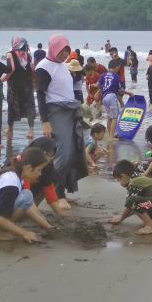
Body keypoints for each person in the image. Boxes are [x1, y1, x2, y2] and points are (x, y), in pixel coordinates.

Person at [36, 35, 89, 199]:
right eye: (61, 51)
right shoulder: (44, 67)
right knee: (64, 154)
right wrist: (45, 122)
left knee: (74, 152)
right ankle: (54, 194)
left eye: (67, 51)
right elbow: (40, 95)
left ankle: (60, 191)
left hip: (70, 111)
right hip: (56, 112)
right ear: (53, 48)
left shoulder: (62, 66)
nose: (64, 54)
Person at [109, 159, 152, 235]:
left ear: (124, 176)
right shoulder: (138, 178)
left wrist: (121, 218)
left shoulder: (134, 183)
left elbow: (131, 203)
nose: (120, 183)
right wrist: (123, 216)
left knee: (132, 201)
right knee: (138, 203)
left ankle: (150, 226)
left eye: (119, 180)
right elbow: (135, 207)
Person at [5, 37, 37, 142]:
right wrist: (33, 82)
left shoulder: (10, 54)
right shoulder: (27, 55)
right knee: (29, 105)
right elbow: (32, 69)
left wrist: (2, 78)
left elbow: (11, 69)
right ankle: (31, 131)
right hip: (27, 84)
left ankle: (10, 130)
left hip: (14, 84)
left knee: (12, 106)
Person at [96, 59, 126, 142]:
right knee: (115, 117)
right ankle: (111, 137)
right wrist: (128, 93)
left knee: (109, 117)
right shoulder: (116, 76)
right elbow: (120, 90)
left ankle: (110, 134)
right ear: (116, 67)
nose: (118, 70)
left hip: (104, 97)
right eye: (118, 68)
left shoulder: (103, 75)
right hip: (112, 97)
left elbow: (98, 85)